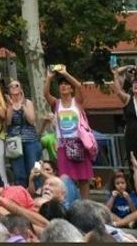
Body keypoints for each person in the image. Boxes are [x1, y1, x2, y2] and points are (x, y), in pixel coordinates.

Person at [43, 68, 93, 198]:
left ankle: (85, 205)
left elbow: (79, 87)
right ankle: (67, 203)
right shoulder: (56, 103)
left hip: (79, 143)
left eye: (66, 84)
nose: (63, 86)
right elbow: (46, 94)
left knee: (83, 178)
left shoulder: (77, 102)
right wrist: (49, 78)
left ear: (71, 89)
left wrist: (65, 74)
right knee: (65, 178)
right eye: (61, 84)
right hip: (63, 145)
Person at [5, 79, 42, 187]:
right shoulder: (7, 104)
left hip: (30, 139)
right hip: (14, 140)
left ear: (21, 88)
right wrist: (11, 106)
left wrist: (22, 106)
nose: (14, 87)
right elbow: (8, 122)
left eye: (17, 85)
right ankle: (21, 193)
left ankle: (37, 191)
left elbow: (31, 120)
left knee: (34, 168)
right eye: (11, 86)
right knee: (18, 171)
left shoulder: (28, 102)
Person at [111, 64, 137, 164]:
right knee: (134, 163)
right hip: (131, 135)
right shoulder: (128, 99)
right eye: (134, 83)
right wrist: (116, 74)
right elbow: (119, 91)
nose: (135, 85)